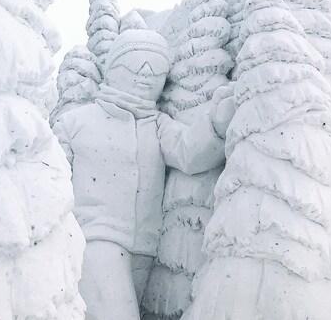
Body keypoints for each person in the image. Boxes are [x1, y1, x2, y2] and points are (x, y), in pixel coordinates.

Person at [52, 29, 235, 320]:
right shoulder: (76, 122)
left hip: (145, 249)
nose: (146, 74)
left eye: (156, 68)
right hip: (97, 241)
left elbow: (188, 152)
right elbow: (51, 183)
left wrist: (217, 125)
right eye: (135, 64)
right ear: (113, 70)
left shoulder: (158, 124)